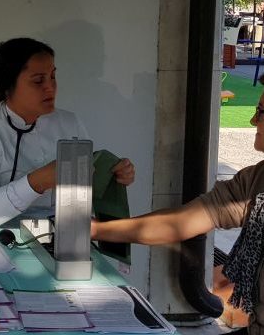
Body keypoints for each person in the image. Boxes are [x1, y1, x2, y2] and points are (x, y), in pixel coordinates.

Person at [91, 95, 264, 335]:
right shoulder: (256, 179)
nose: (253, 120)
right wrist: (97, 230)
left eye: (261, 112)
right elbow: (180, 222)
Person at [0, 37, 135, 230]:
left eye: (53, 77)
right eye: (38, 80)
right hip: (5, 239)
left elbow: (85, 190)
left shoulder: (70, 123)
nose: (50, 87)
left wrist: (113, 175)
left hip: (64, 235)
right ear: (8, 85)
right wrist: (36, 182)